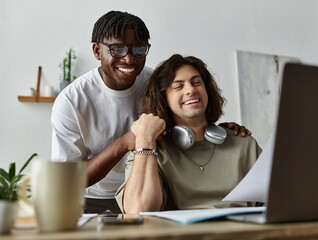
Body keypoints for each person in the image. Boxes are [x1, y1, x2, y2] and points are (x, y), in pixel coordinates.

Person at [51, 11, 250, 214]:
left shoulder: (154, 83)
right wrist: (126, 142)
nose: (129, 59)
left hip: (149, 187)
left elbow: (187, 122)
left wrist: (217, 131)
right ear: (97, 51)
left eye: (138, 49)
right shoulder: (71, 101)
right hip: (90, 198)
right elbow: (68, 180)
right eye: (117, 49)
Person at [116, 54, 261, 213]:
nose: (191, 90)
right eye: (178, 86)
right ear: (163, 99)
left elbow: (278, 203)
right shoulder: (150, 151)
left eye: (196, 82)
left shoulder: (244, 145)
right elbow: (138, 211)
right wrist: (144, 139)